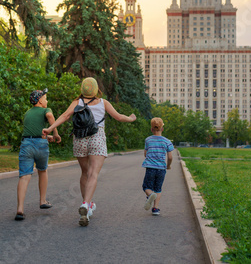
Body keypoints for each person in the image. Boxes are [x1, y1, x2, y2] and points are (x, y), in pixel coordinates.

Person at [42, 77, 136, 226]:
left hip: (80, 139)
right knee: (93, 174)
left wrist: (50, 129)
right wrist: (131, 118)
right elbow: (118, 117)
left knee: (85, 173)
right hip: (97, 137)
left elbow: (65, 116)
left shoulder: (76, 102)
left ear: (82, 89)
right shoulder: (103, 103)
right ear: (96, 89)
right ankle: (86, 204)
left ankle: (87, 204)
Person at [15, 88, 61, 221]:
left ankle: (20, 209)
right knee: (42, 170)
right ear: (40, 101)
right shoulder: (46, 110)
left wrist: (47, 136)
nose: (47, 100)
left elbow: (33, 131)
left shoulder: (27, 113)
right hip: (40, 145)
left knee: (24, 176)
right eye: (45, 98)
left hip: (26, 144)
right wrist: (56, 133)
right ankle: (42, 200)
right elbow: (50, 117)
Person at [142, 117, 174, 216]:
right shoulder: (167, 141)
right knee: (158, 188)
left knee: (146, 186)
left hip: (150, 168)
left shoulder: (148, 140)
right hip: (161, 169)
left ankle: (150, 195)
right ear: (162, 129)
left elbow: (145, 154)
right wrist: (168, 165)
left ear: (151, 129)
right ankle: (155, 209)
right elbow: (170, 157)